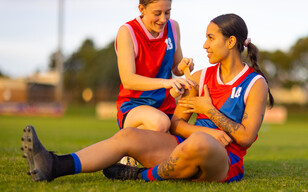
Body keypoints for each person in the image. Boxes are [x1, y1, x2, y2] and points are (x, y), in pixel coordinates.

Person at [21, 13, 273, 183]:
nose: (205, 45)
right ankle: (54, 165)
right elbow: (175, 124)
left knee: (200, 144)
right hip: (185, 146)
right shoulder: (200, 76)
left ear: (230, 42)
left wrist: (209, 111)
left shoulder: (255, 83)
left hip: (224, 160)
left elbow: (246, 137)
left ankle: (141, 175)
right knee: (128, 136)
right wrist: (203, 130)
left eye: (210, 38)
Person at [115, 0, 195, 132]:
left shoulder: (173, 27)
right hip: (134, 106)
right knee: (160, 123)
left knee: (188, 138)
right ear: (142, 9)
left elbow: (176, 68)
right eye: (157, 13)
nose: (163, 19)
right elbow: (128, 81)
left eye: (167, 12)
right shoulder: (127, 32)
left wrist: (183, 67)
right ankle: (126, 145)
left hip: (167, 107)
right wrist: (166, 83)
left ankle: (132, 149)